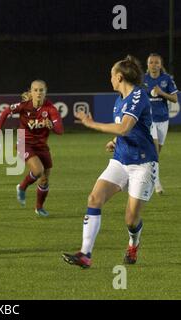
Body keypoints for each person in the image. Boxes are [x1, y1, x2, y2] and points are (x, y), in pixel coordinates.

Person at [63, 55, 158, 268]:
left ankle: (134, 242)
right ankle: (85, 254)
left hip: (142, 163)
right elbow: (127, 130)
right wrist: (115, 140)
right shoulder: (119, 100)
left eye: (112, 76)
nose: (110, 79)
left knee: (130, 219)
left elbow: (125, 127)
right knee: (94, 198)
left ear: (120, 77)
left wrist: (92, 124)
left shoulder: (137, 96)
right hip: (120, 160)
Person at [0, 80, 64, 217]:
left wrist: (52, 126)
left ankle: (39, 208)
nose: (38, 93)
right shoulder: (24, 106)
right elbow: (6, 112)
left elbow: (60, 130)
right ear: (31, 92)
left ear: (46, 92)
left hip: (41, 146)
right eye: (36, 90)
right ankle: (22, 187)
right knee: (38, 170)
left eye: (41, 90)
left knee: (44, 180)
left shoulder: (51, 109)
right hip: (23, 142)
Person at [144, 53, 178, 195]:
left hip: (163, 120)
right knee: (155, 152)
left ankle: (147, 175)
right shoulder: (142, 80)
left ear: (160, 64)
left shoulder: (166, 79)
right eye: (151, 62)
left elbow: (175, 99)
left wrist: (161, 92)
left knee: (156, 155)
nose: (154, 65)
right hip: (149, 121)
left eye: (156, 62)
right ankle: (156, 184)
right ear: (148, 65)